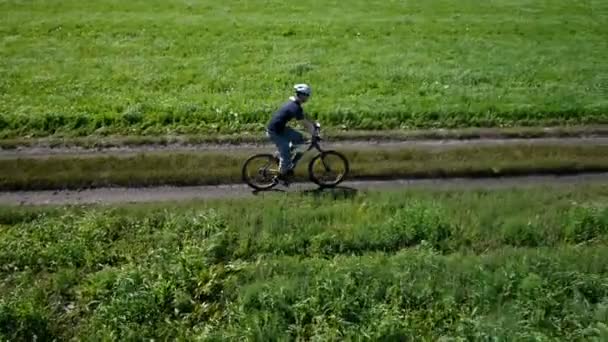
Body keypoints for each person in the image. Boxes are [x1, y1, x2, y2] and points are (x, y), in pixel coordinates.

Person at [266, 83, 319, 182]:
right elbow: (305, 124)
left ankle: (287, 157)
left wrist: (314, 123)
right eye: (307, 95)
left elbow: (304, 116)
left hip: (281, 128)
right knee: (286, 156)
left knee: (300, 139)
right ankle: (282, 175)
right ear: (302, 95)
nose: (308, 97)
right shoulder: (294, 107)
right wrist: (314, 133)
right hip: (275, 132)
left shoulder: (296, 104)